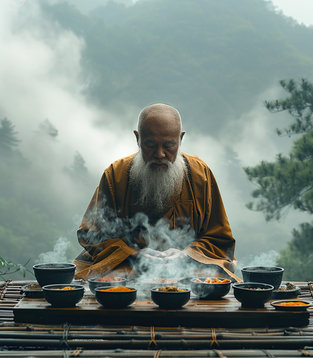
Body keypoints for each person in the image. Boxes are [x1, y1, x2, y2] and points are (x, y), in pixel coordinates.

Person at [74, 103, 238, 280]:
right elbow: (93, 235)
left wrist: (187, 254)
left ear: (180, 139)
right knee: (107, 282)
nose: (160, 154)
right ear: (137, 138)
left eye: (169, 145)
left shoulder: (200, 175)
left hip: (187, 269)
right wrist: (133, 254)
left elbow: (220, 240)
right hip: (128, 267)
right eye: (150, 145)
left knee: (208, 281)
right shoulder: (116, 175)